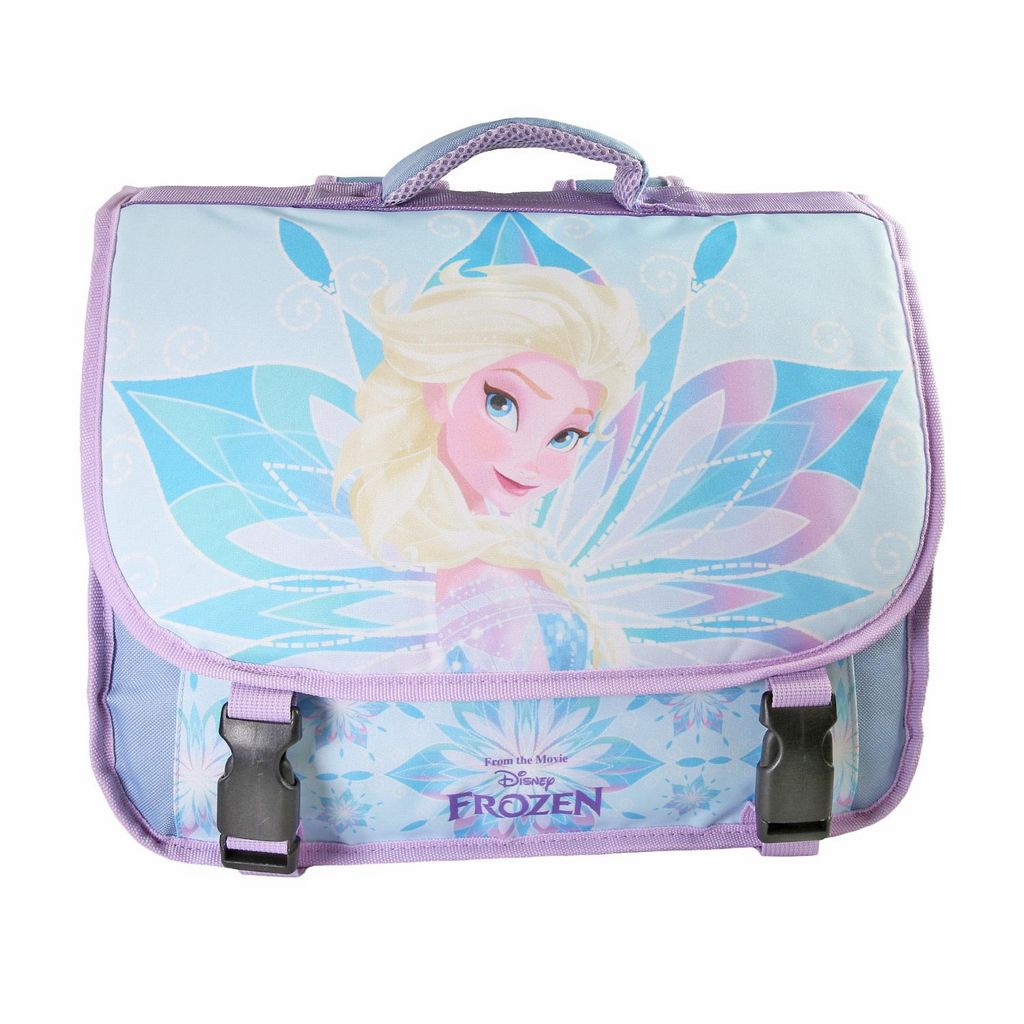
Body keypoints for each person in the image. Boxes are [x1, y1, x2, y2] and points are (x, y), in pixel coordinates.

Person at [337, 260, 649, 671]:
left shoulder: (498, 547)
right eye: (501, 404)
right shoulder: (480, 573)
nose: (530, 461)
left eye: (565, 436)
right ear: (437, 392)